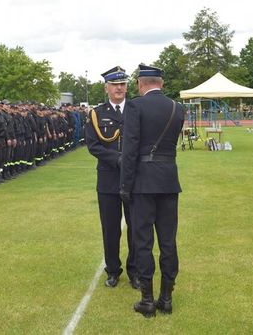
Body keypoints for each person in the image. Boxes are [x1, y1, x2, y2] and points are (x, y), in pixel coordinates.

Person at [119, 64, 184, 318]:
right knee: (168, 240)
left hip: (143, 183)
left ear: (140, 83)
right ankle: (166, 298)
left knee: (143, 241)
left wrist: (125, 185)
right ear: (161, 83)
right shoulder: (177, 107)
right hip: (168, 179)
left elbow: (130, 149)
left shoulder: (135, 106)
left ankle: (147, 300)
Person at [85, 66, 138, 289]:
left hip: (134, 179)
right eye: (115, 85)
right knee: (110, 228)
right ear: (106, 88)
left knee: (136, 228)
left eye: (123, 84)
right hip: (108, 179)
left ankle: (135, 271)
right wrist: (118, 159)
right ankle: (113, 270)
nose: (119, 88)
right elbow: (93, 145)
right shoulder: (97, 113)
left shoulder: (136, 109)